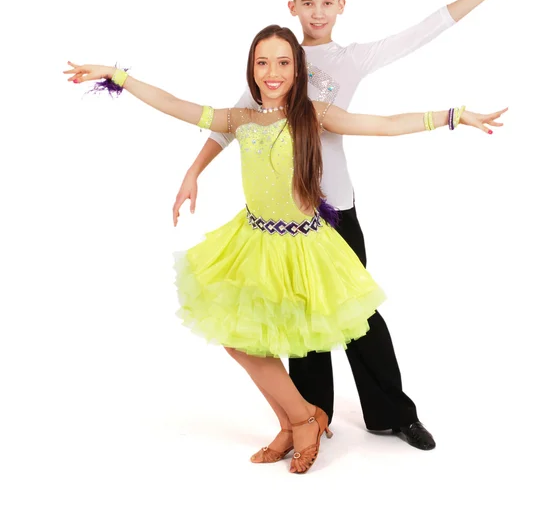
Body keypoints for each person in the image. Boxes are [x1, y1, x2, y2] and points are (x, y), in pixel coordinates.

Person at [64, 26, 505, 473]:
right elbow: (176, 105)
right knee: (241, 341)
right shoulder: (240, 118)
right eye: (262, 63)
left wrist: (454, 115)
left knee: (281, 338)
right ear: (250, 68)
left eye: (282, 63)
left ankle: (299, 421)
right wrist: (118, 76)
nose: (271, 73)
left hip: (303, 247)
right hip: (255, 240)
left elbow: (384, 125)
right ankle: (299, 417)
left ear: (298, 69)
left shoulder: (312, 114)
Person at [171, 0, 535, 452]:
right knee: (301, 319)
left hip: (334, 210)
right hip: (282, 219)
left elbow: (424, 30)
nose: (317, 11)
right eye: (307, 1)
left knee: (357, 315)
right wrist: (194, 171)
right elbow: (231, 125)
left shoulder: (353, 58)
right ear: (292, 7)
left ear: (342, 6)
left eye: (327, 1)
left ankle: (392, 414)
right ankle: (311, 416)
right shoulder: (278, 64)